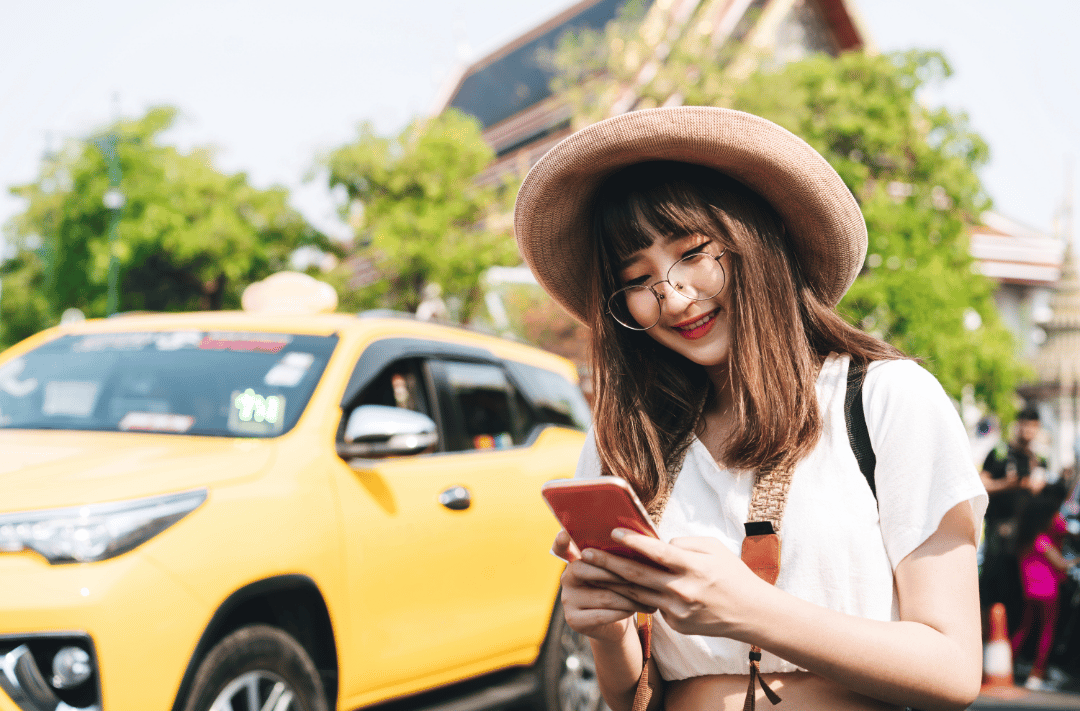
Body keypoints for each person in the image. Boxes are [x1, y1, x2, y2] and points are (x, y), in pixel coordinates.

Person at [514, 107, 987, 711]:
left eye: (693, 252)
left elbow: (952, 670)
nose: (673, 295)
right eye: (638, 278)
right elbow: (635, 696)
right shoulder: (624, 441)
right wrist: (608, 633)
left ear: (756, 240)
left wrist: (748, 610)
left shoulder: (885, 399)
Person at [980, 407, 1048, 629]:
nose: (1028, 430)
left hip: (1024, 538)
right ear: (1017, 424)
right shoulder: (1000, 453)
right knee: (991, 586)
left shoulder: (1039, 460)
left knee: (1018, 590)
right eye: (1024, 424)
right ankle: (986, 639)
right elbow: (980, 484)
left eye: (1033, 426)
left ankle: (1011, 646)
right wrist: (1006, 485)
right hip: (998, 533)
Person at [1010, 484, 1076, 690]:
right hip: (1049, 591)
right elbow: (1061, 563)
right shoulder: (1044, 541)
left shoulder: (1028, 541)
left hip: (1030, 590)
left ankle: (1008, 664)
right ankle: (1037, 674)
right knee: (1047, 631)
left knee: (1025, 627)